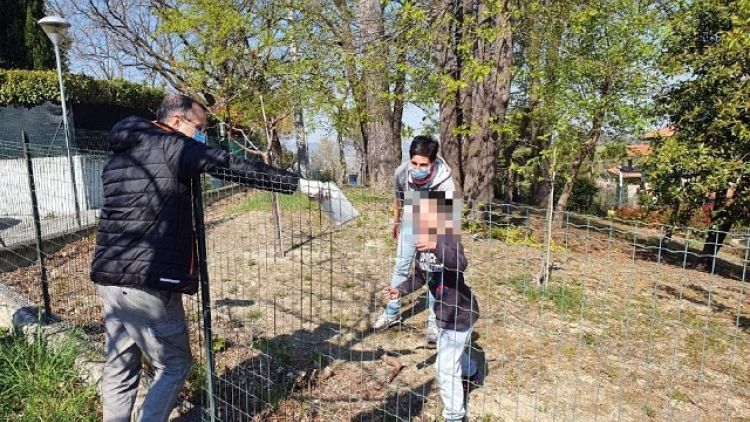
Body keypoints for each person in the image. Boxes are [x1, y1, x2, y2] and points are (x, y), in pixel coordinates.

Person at [90, 94, 327, 422]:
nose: (202, 135)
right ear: (176, 122)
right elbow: (233, 165)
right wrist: (298, 184)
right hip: (147, 280)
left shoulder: (121, 153)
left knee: (120, 364)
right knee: (174, 365)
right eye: (199, 127)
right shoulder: (173, 146)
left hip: (108, 275)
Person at [382, 191, 481, 421]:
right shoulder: (421, 243)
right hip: (443, 314)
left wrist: (435, 245)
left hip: (460, 313)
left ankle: (454, 416)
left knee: (443, 368)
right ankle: (472, 372)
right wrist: (400, 290)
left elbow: (461, 263)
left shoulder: (447, 238)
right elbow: (419, 276)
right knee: (451, 353)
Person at [372, 135, 455, 346]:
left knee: (434, 272)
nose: (418, 167)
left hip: (436, 219)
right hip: (411, 216)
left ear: (433, 162)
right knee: (401, 266)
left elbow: (447, 222)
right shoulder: (401, 173)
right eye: (414, 163)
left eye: (423, 164)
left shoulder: (445, 182)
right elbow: (398, 198)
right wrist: (396, 222)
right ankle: (392, 313)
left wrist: (435, 244)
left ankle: (434, 323)